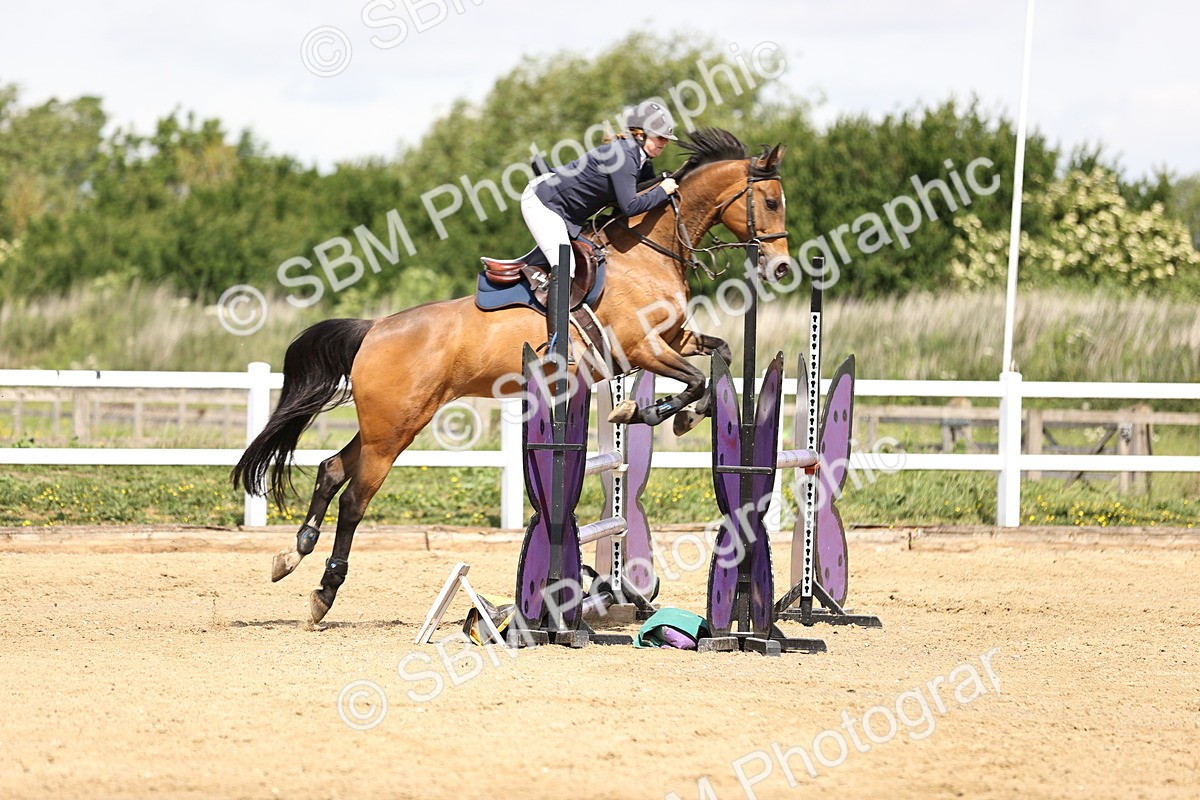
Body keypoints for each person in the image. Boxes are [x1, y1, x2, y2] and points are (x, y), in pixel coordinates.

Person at [521, 100, 680, 276]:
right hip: (544, 204)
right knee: (566, 270)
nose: (665, 143)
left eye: (667, 139)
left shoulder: (640, 160)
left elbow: (645, 194)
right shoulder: (625, 156)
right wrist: (662, 191)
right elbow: (630, 207)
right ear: (641, 135)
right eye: (660, 137)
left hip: (563, 205)